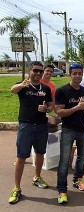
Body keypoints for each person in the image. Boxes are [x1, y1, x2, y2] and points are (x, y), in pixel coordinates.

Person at [8, 62, 54, 204]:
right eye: (36, 71)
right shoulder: (23, 86)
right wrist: (22, 85)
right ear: (30, 71)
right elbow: (12, 90)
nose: (38, 74)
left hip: (41, 126)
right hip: (26, 126)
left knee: (40, 153)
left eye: (41, 71)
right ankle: (16, 188)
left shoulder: (45, 88)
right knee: (21, 157)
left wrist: (45, 109)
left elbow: (51, 106)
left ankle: (37, 177)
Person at [55, 63, 84, 204]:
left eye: (79, 73)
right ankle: (62, 190)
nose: (77, 76)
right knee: (64, 161)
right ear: (69, 74)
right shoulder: (62, 91)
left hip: (83, 130)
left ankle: (77, 180)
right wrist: (76, 107)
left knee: (82, 158)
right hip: (68, 130)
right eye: (74, 73)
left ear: (82, 74)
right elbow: (59, 112)